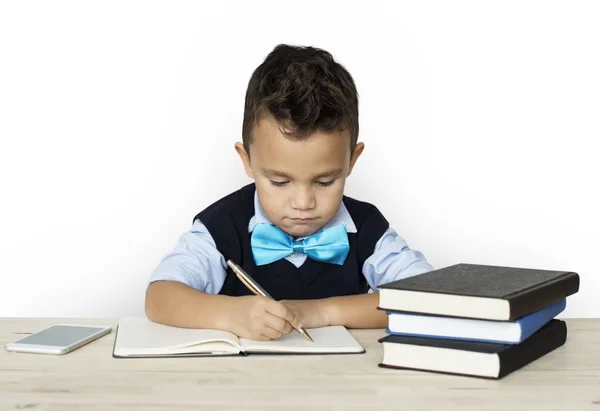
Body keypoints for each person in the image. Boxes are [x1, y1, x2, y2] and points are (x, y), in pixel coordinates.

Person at [145, 44, 433, 341]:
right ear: (247, 161)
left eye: (324, 182)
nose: (302, 203)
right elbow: (159, 297)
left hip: (344, 383)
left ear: (352, 161)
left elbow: (429, 299)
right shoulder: (223, 225)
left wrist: (322, 312)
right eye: (280, 182)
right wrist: (230, 314)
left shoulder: (368, 227)